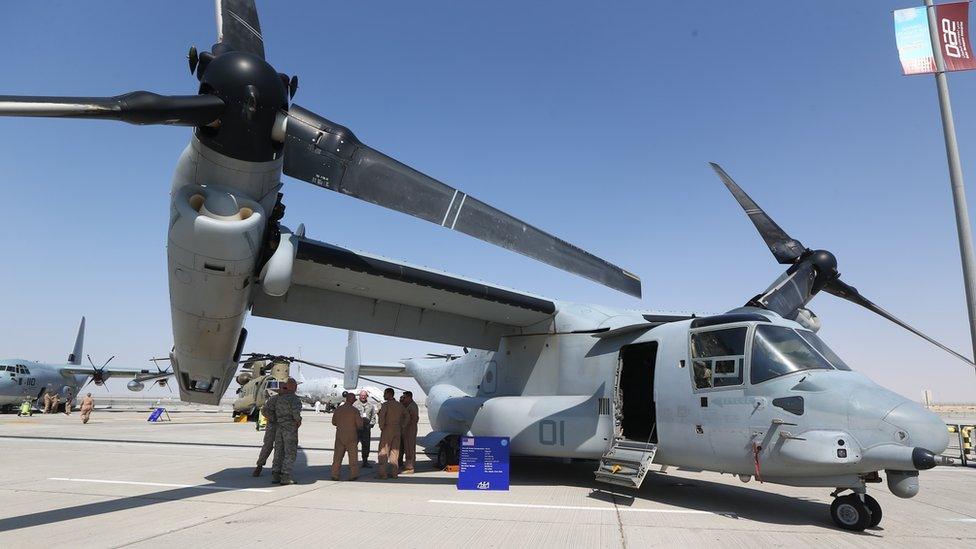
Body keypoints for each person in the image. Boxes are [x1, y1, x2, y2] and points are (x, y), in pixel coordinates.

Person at [271, 378, 302, 485]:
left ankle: (275, 474)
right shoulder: (294, 399)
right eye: (295, 385)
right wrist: (298, 421)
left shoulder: (279, 398)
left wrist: (275, 420)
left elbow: (269, 411)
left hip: (279, 427)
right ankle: (285, 476)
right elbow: (296, 414)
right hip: (289, 428)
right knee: (290, 452)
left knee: (278, 451)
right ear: (292, 387)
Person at [377, 387, 408, 479]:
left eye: (385, 394)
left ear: (389, 394)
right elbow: (407, 416)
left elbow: (382, 417)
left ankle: (383, 474)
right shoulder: (399, 405)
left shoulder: (386, 405)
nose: (384, 395)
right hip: (397, 429)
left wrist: (381, 426)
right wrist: (402, 425)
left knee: (383, 451)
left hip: (388, 428)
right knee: (395, 452)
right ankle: (394, 473)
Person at [331, 392, 363, 481]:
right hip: (351, 436)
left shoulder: (339, 409)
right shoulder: (355, 411)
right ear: (352, 400)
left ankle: (335, 474)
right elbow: (360, 425)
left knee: (337, 457)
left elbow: (334, 422)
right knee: (353, 457)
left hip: (340, 435)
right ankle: (353, 475)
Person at [253, 393, 278, 477]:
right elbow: (264, 411)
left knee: (279, 448)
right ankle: (259, 466)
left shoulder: (288, 399)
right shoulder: (274, 399)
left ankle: (276, 469)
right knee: (268, 446)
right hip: (274, 426)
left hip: (281, 426)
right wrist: (274, 418)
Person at [353, 390, 376, 468]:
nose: (363, 397)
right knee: (353, 445)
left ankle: (365, 461)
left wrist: (371, 425)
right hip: (356, 429)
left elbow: (373, 417)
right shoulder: (355, 405)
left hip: (366, 429)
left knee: (366, 445)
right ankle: (353, 462)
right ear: (359, 396)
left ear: (367, 396)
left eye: (364, 395)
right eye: (361, 395)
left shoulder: (371, 405)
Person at [401, 391, 420, 474]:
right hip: (408, 429)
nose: (403, 399)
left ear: (409, 397)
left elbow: (414, 419)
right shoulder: (409, 405)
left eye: (405, 397)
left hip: (410, 430)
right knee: (408, 447)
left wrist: (405, 424)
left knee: (409, 448)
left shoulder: (412, 406)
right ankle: (409, 465)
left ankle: (410, 468)